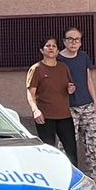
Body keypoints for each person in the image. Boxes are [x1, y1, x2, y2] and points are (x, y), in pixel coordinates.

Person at [59, 26, 96, 190]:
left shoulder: (83, 57)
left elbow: (88, 79)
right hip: (67, 108)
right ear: (64, 41)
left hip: (87, 105)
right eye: (70, 39)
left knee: (94, 140)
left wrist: (95, 101)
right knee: (67, 144)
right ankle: (68, 179)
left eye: (77, 39)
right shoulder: (58, 59)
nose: (73, 42)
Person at [26, 36, 78, 165]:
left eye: (54, 46)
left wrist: (70, 89)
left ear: (58, 50)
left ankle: (73, 180)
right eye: (48, 46)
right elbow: (30, 93)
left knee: (71, 151)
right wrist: (35, 110)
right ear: (41, 50)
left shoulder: (63, 67)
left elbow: (69, 86)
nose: (51, 48)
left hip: (64, 115)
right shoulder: (36, 69)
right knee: (48, 151)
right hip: (45, 116)